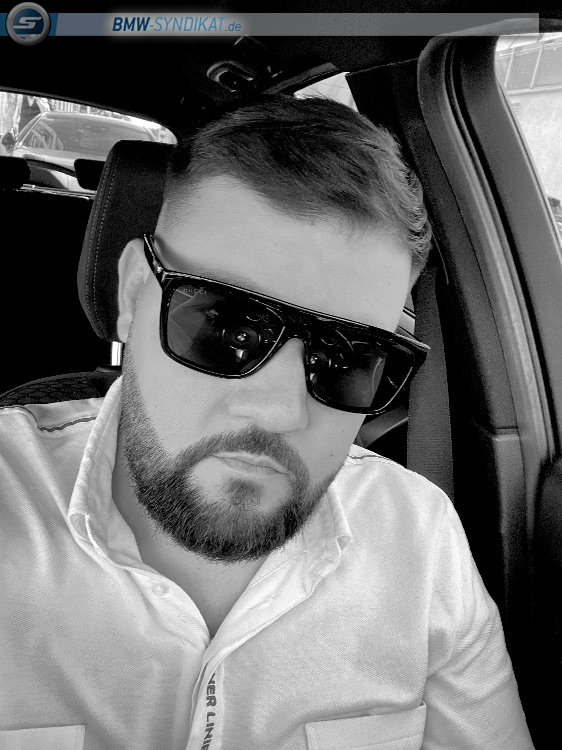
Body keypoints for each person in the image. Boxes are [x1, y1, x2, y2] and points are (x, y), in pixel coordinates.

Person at [0, 95, 534, 750]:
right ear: (135, 295)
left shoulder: (419, 542)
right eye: (226, 327)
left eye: (346, 358)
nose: (281, 411)